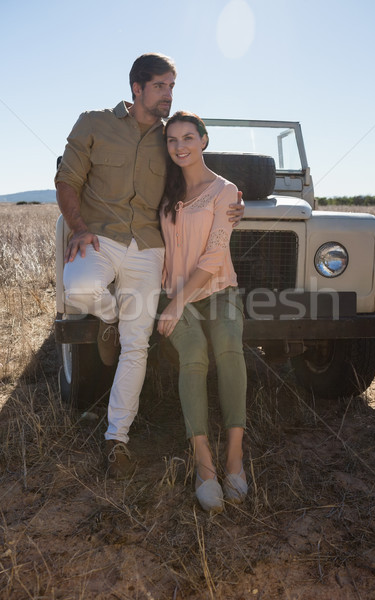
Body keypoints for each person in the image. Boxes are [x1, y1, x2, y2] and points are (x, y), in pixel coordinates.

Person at [55, 53, 244, 480]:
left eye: (172, 87)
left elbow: (199, 172)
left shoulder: (168, 137)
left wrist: (236, 200)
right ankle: (109, 316)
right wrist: (79, 227)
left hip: (148, 249)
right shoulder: (93, 123)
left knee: (136, 344)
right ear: (137, 88)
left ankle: (116, 439)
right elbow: (67, 179)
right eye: (161, 86)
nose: (169, 94)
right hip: (99, 236)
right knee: (79, 290)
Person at [157, 111, 247, 513]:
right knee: (193, 353)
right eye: (172, 140)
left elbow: (214, 257)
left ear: (204, 140)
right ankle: (204, 464)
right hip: (170, 290)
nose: (180, 146)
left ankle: (234, 457)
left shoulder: (226, 192)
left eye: (188, 137)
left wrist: (179, 304)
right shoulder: (164, 187)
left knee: (228, 344)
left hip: (217, 289)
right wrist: (173, 300)